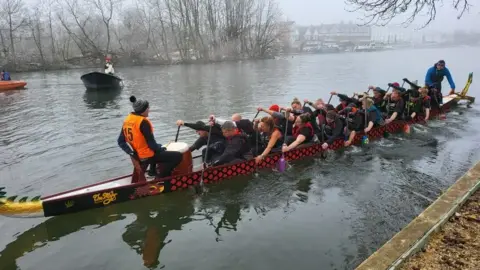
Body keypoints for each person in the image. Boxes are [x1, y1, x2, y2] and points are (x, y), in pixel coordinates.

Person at [118, 96, 183, 177]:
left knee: (158, 147)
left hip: (137, 154)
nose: (149, 110)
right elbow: (152, 145)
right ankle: (161, 178)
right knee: (178, 156)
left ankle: (152, 172)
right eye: (148, 108)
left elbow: (120, 141)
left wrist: (131, 152)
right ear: (143, 110)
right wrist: (161, 149)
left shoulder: (127, 120)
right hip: (146, 156)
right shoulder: (143, 122)